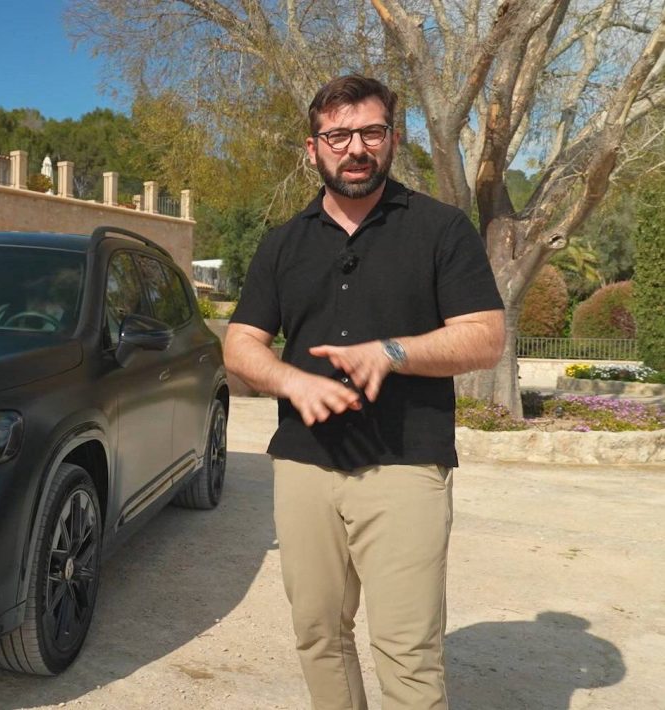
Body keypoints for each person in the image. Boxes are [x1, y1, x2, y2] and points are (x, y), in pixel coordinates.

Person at [224, 75, 505, 710]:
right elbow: (240, 344)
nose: (356, 148)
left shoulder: (440, 229)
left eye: (371, 132)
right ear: (313, 148)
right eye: (338, 135)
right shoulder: (283, 242)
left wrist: (392, 353)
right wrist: (290, 379)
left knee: (407, 650)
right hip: (304, 461)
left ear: (392, 139)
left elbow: (485, 337)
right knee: (318, 633)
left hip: (405, 462)